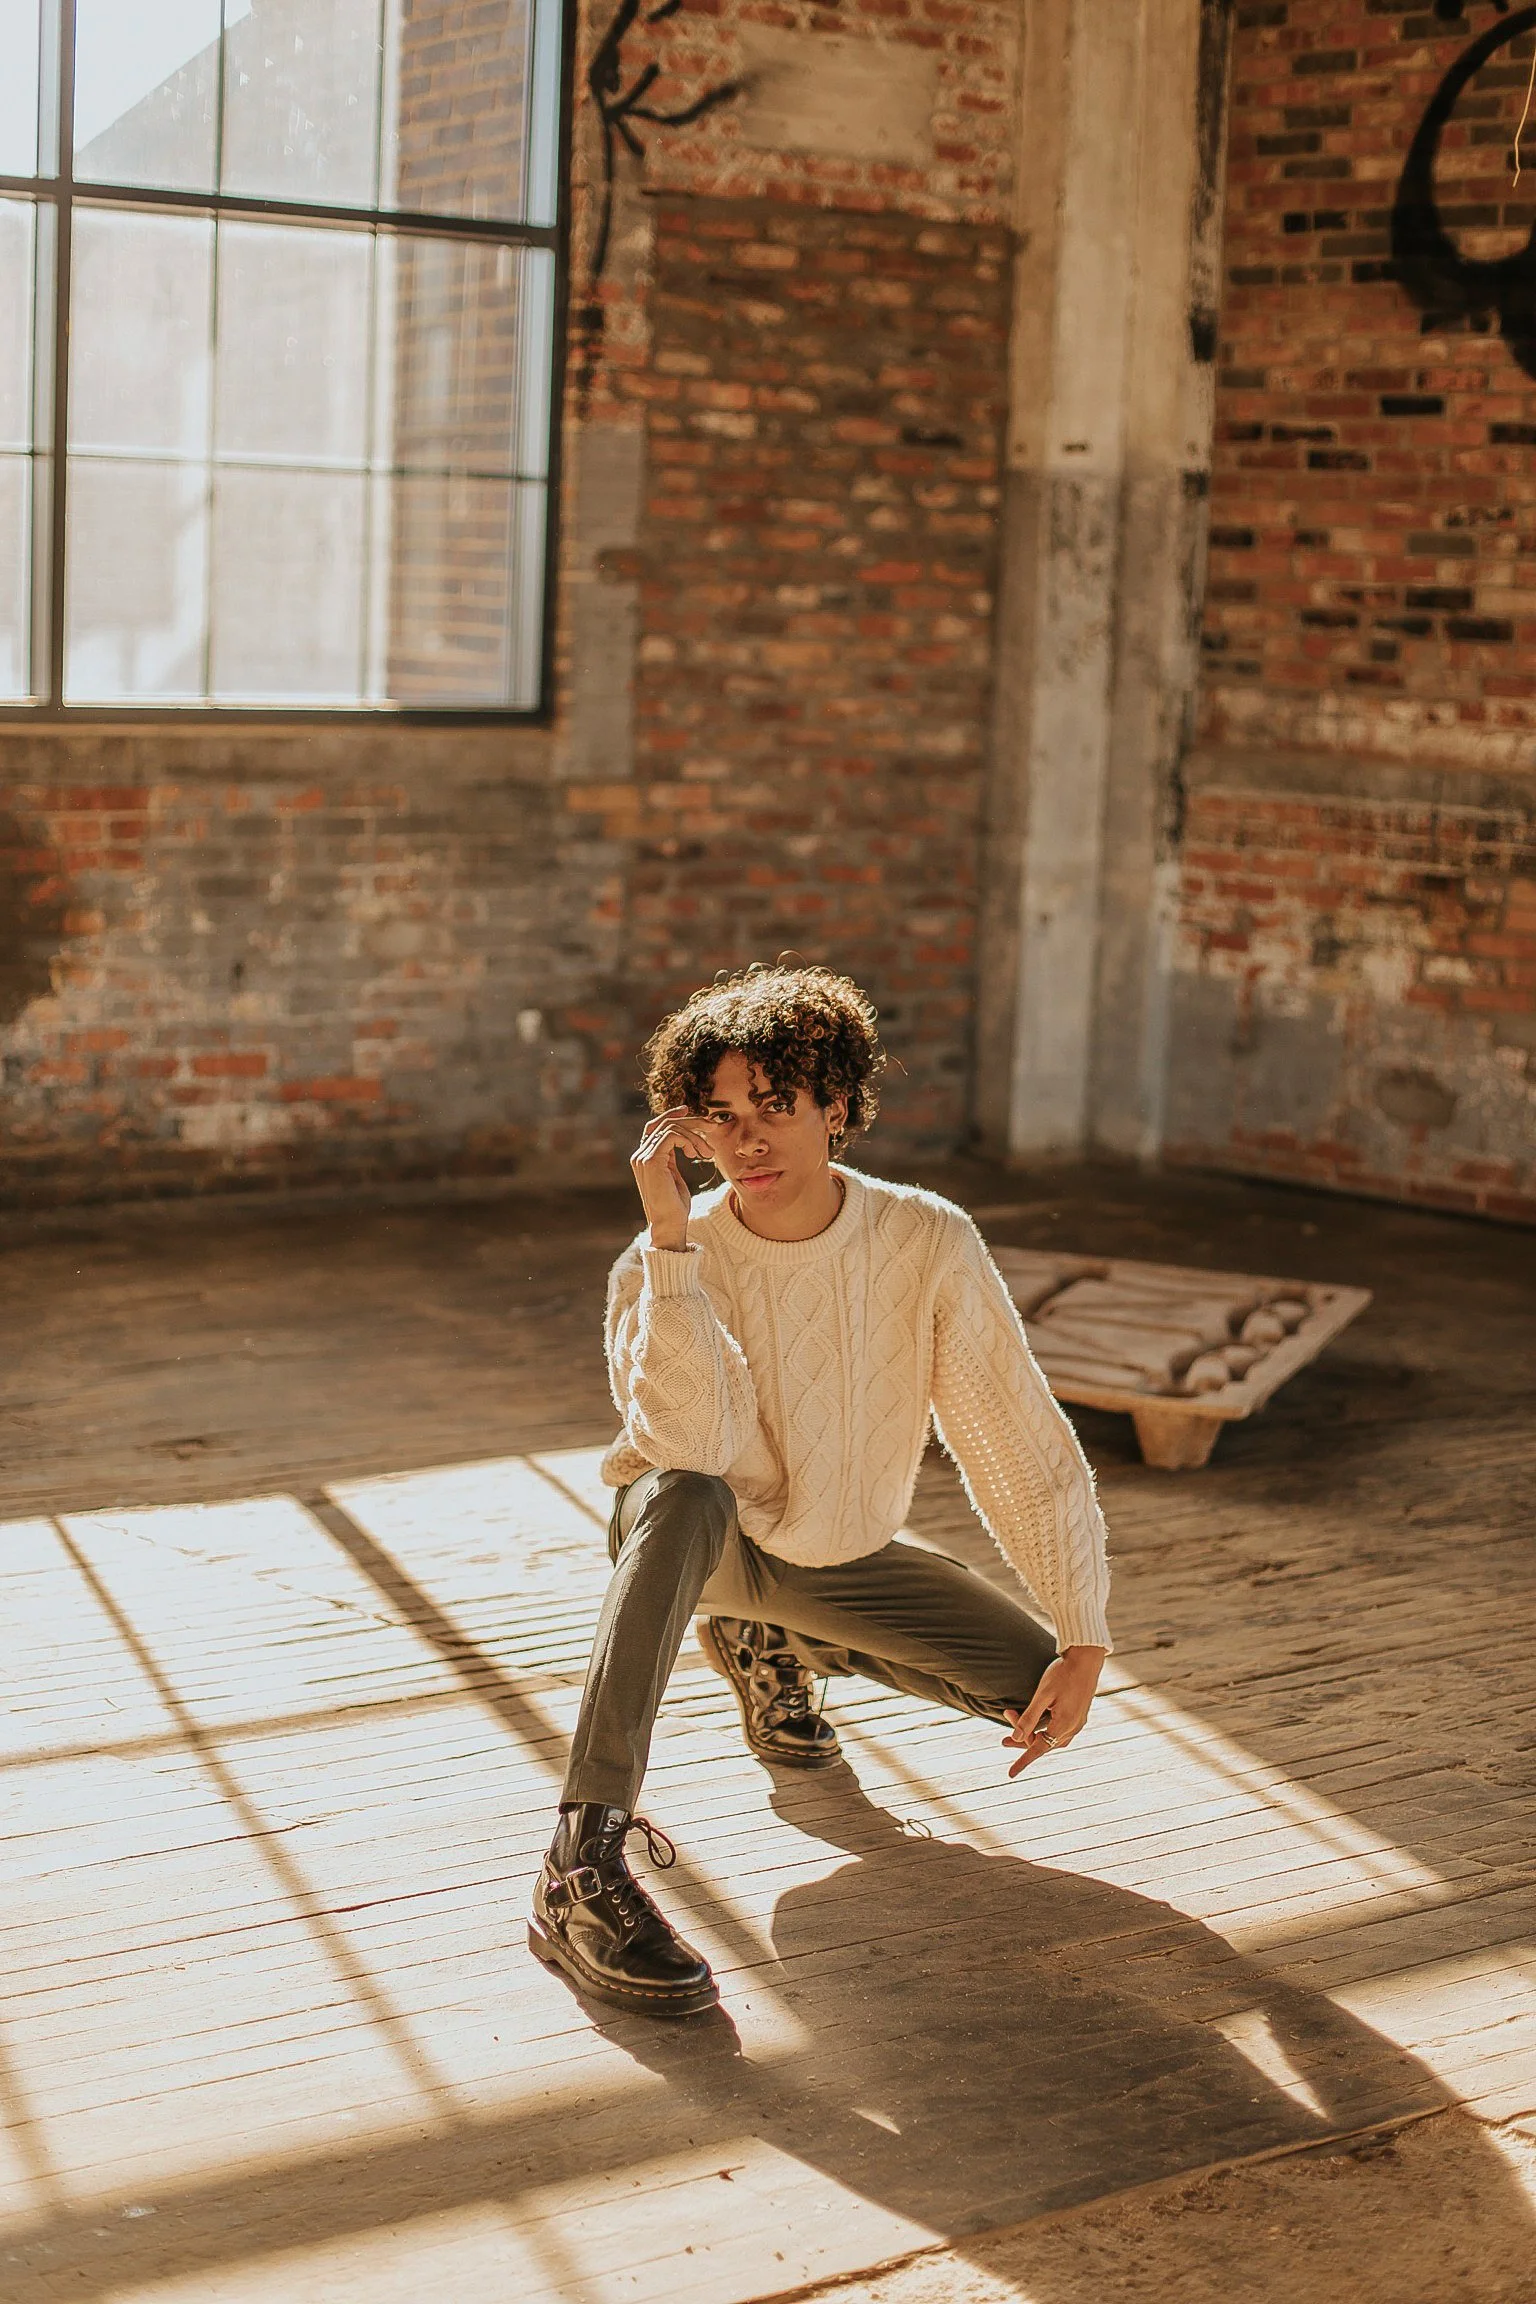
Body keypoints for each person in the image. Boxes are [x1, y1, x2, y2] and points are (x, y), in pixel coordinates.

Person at [528, 963, 1112, 2016]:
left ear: (835, 1109)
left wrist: (1084, 1632)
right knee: (692, 1493)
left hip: (830, 1554)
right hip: (688, 1533)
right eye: (718, 1117)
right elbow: (689, 1441)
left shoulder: (925, 1240)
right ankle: (581, 1862)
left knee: (1035, 1687)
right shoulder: (664, 1255)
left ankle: (773, 1643)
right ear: (687, 1130)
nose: (746, 1142)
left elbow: (1015, 1436)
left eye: (774, 1107)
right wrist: (671, 1245)